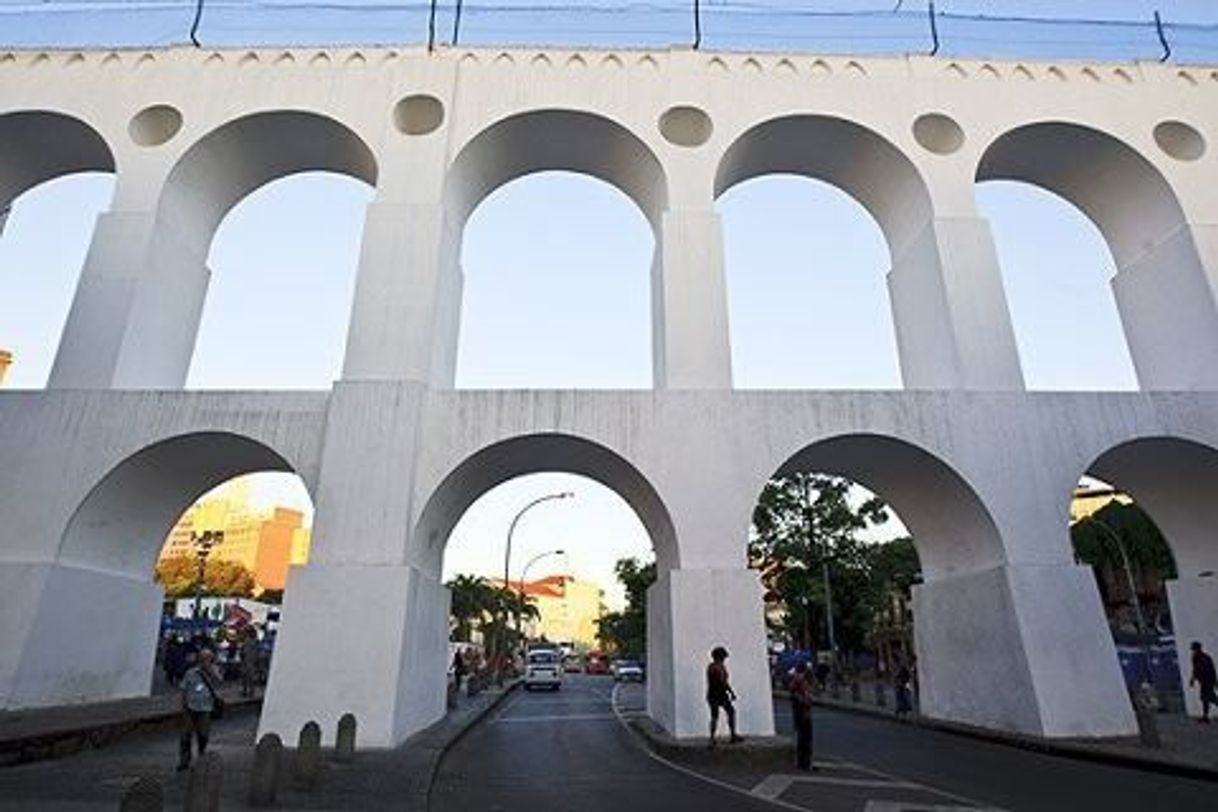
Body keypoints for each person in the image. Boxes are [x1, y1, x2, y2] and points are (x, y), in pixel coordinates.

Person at [177, 649, 222, 771]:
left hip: (206, 708)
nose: (206, 661)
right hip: (190, 707)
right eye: (203, 659)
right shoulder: (191, 673)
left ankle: (201, 756)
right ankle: (185, 760)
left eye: (208, 659)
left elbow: (220, 682)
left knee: (203, 734)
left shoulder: (214, 671)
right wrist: (183, 705)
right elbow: (183, 689)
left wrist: (212, 672)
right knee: (185, 735)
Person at [706, 646, 743, 748]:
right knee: (730, 712)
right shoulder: (719, 667)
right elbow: (723, 682)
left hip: (712, 694)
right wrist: (731, 693)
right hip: (720, 694)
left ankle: (712, 738)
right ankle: (732, 735)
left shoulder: (711, 666)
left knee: (714, 716)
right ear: (720, 657)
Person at [789, 661, 814, 770]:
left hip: (800, 713)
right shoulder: (799, 682)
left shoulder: (796, 682)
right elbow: (803, 699)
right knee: (805, 739)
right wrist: (807, 701)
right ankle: (805, 764)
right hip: (803, 714)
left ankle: (802, 763)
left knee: (803, 739)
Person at [1189, 641, 1217, 723]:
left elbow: (1211, 670)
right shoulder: (1196, 657)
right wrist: (1193, 679)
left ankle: (1205, 716)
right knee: (1206, 699)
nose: (1194, 651)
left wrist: (1215, 682)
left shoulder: (1204, 658)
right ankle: (1205, 716)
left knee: (1210, 698)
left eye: (1194, 649)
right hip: (1204, 681)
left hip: (1207, 681)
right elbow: (1195, 670)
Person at [239, 629, 259, 698]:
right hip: (252, 661)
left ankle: (245, 691)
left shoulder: (246, 641)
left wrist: (242, 659)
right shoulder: (256, 641)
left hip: (246, 661)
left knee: (245, 677)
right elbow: (257, 652)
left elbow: (242, 652)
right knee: (250, 677)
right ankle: (251, 691)